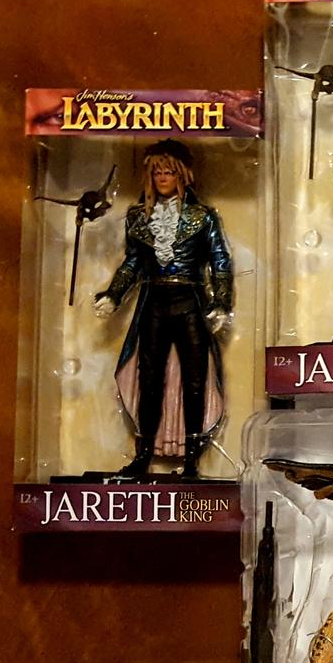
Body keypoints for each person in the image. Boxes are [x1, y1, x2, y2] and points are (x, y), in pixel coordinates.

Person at [94, 139, 231, 477]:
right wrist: (113, 295)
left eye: (169, 172)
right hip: (154, 301)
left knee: (195, 380)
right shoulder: (138, 217)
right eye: (157, 173)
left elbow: (220, 261)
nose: (162, 178)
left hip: (190, 302)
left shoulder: (203, 216)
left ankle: (192, 458)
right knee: (150, 379)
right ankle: (143, 454)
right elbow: (132, 262)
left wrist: (220, 303)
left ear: (182, 174)